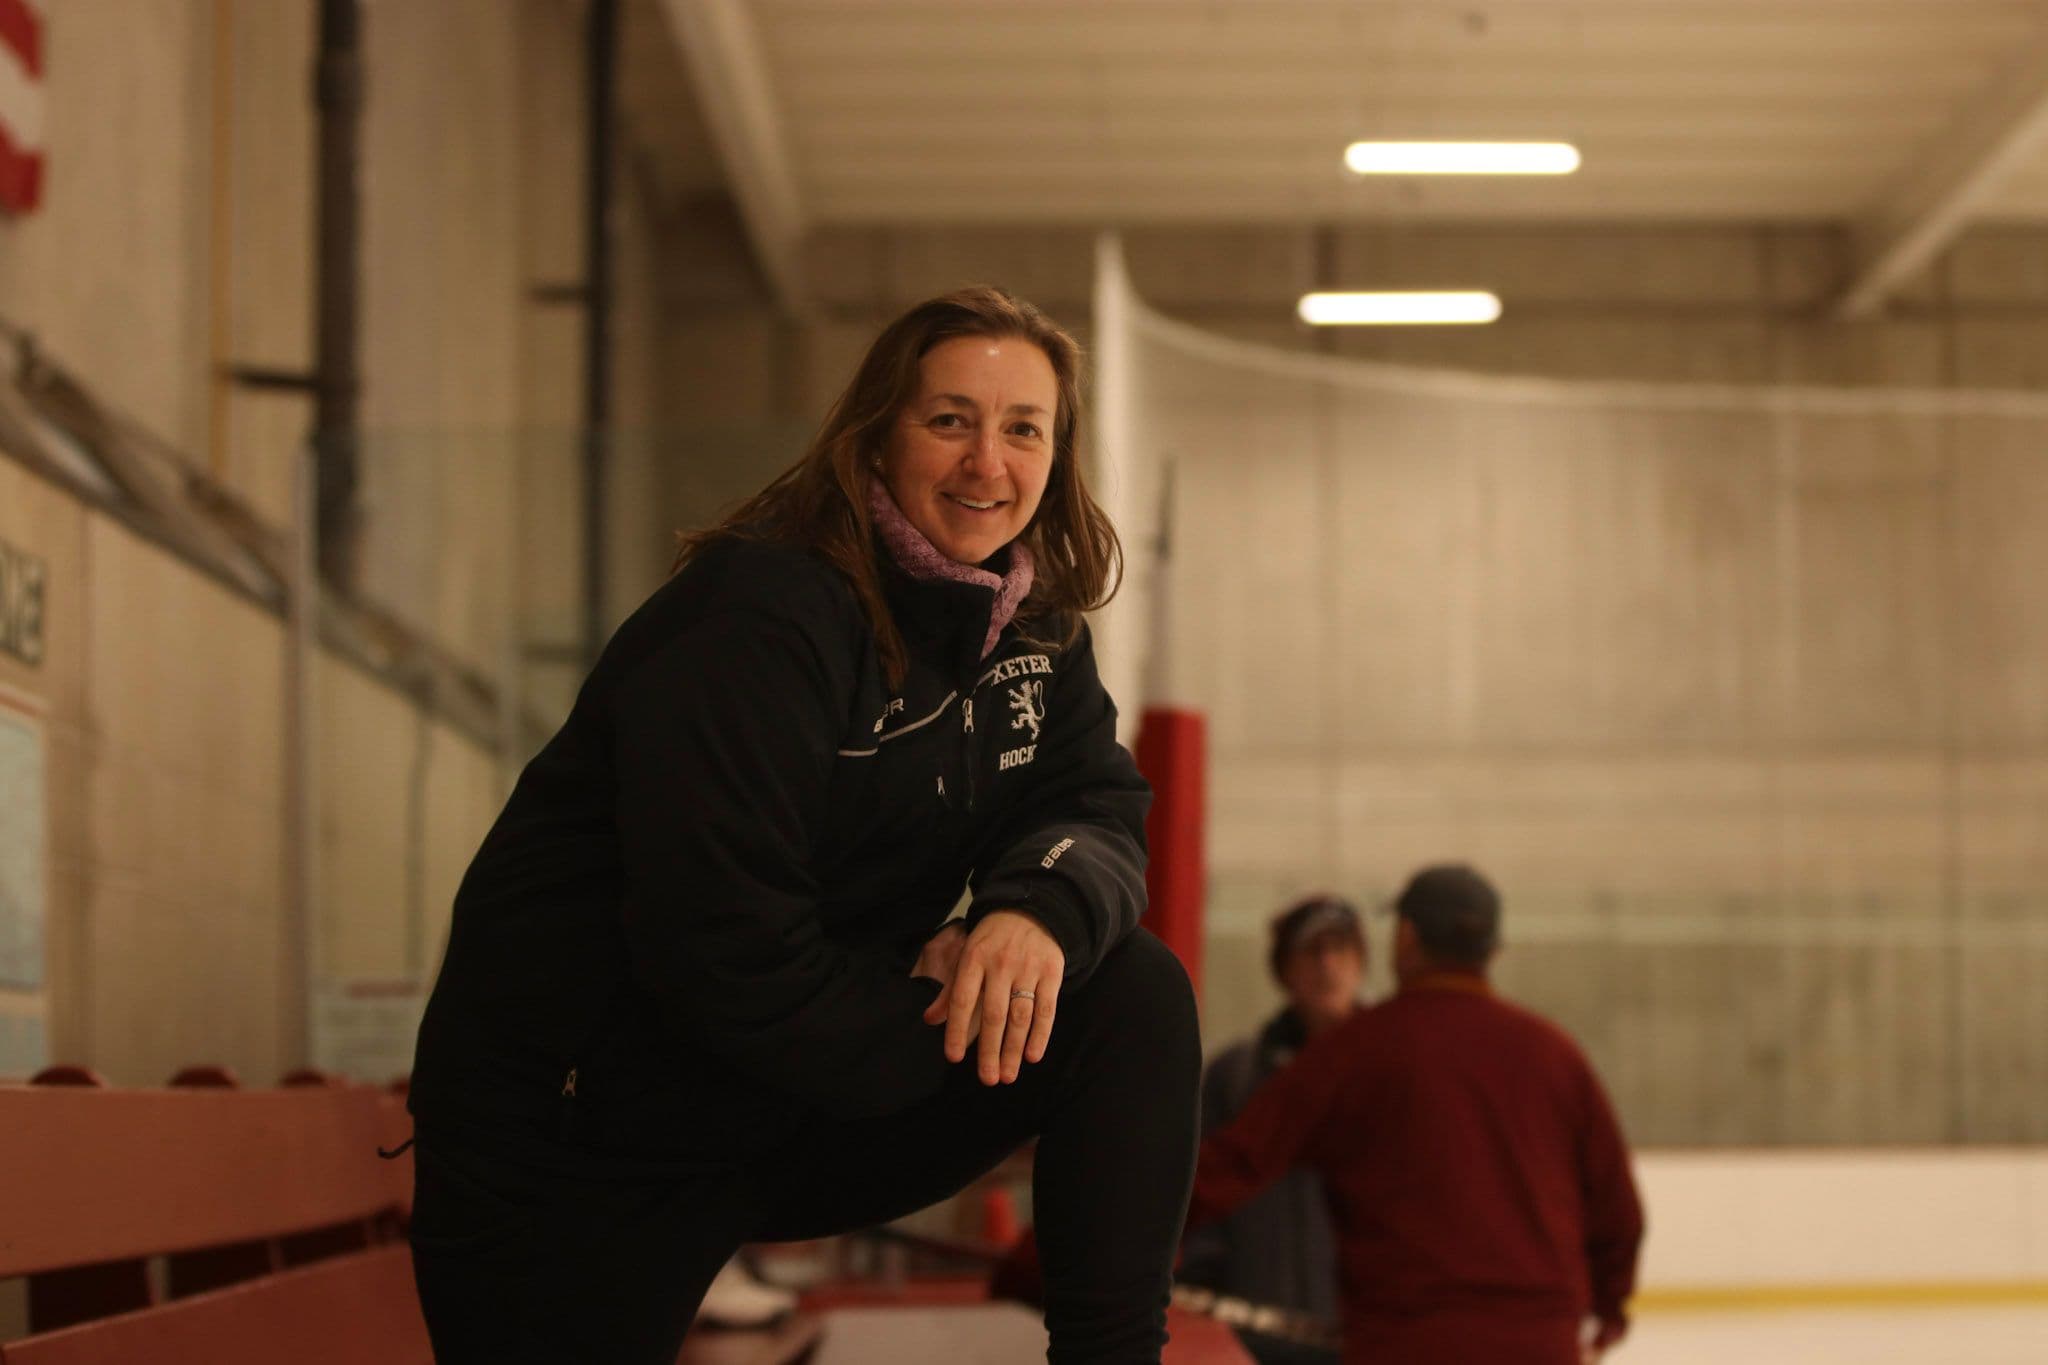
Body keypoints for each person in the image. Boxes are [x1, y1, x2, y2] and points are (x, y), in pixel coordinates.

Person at [405, 286, 1202, 1363]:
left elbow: (1094, 804)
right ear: (876, 432)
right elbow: (720, 944)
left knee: (1126, 991)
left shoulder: (1032, 630)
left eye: (1024, 430)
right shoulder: (762, 610)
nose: (988, 464)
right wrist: (928, 1013)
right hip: (581, 1137)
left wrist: (1033, 917)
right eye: (949, 420)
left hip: (775, 1098)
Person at [1184, 865, 1644, 1364]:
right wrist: (1608, 1309)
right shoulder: (1555, 1054)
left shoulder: (1353, 1053)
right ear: (1493, 951)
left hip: (1410, 1344)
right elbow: (1617, 1211)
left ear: (1405, 938)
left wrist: (1119, 1236)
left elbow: (1229, 1168)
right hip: (1539, 1344)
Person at [1178, 896, 1366, 1364]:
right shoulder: (1237, 1076)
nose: (1328, 965)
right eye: (1311, 951)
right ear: (1284, 970)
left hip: (1363, 1329)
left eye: (1340, 948)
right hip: (1255, 1327)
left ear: (1361, 962)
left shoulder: (1391, 1071)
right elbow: (1196, 1188)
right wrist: (1203, 1285)